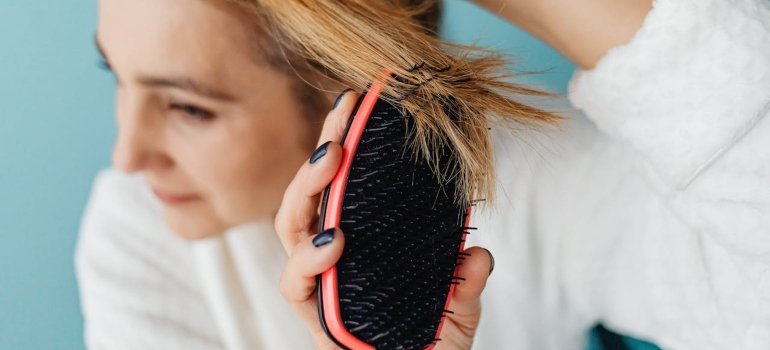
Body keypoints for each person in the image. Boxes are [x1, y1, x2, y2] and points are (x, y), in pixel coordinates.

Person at [76, 0, 770, 350]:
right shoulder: (136, 227)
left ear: (346, 92)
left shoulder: (543, 180)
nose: (127, 155)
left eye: (188, 108)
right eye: (116, 76)